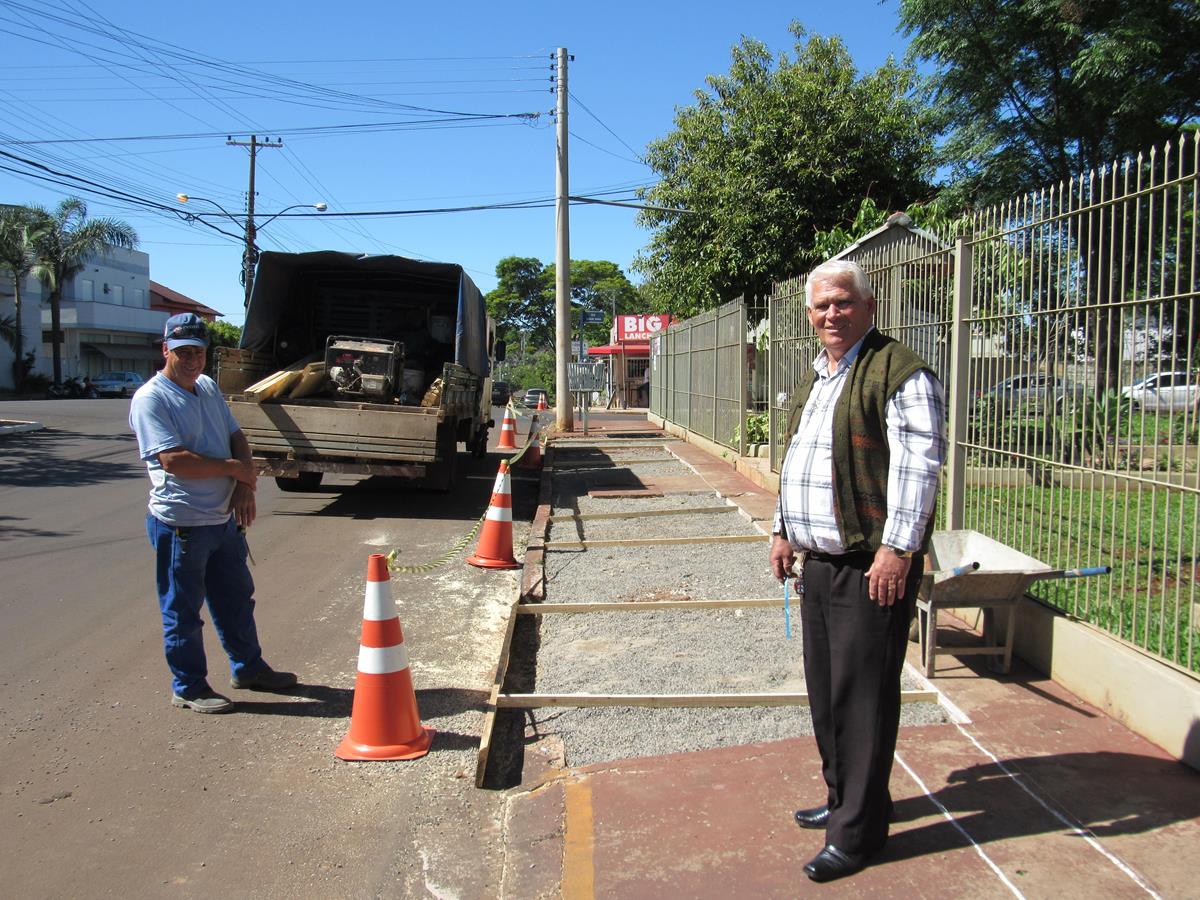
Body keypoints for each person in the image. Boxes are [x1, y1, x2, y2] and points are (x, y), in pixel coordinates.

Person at [768, 260, 946, 882]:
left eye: (842, 303)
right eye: (820, 306)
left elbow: (920, 470)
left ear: (868, 306)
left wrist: (897, 551)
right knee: (827, 694)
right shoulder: (819, 376)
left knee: (863, 698)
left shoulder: (900, 373)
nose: (830, 315)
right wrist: (782, 530)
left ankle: (859, 834)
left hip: (872, 564)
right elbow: (799, 460)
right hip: (820, 562)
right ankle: (847, 799)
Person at [130, 312, 296, 713]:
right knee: (183, 611)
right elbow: (173, 461)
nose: (192, 360)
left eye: (199, 352)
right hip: (182, 524)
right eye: (184, 351)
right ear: (166, 349)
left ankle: (249, 668)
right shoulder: (151, 399)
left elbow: (235, 435)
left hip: (223, 520)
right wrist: (234, 470)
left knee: (236, 599)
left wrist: (244, 483)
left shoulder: (206, 386)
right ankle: (188, 687)